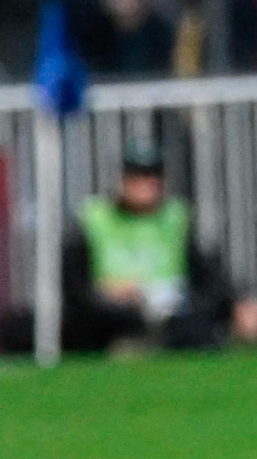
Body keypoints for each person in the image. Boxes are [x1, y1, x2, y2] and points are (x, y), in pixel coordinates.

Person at [62, 143, 242, 352]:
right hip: (113, 310)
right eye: (136, 177)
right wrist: (103, 293)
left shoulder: (176, 217)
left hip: (171, 308)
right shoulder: (95, 217)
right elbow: (74, 280)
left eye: (151, 177)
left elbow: (209, 275)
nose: (144, 185)